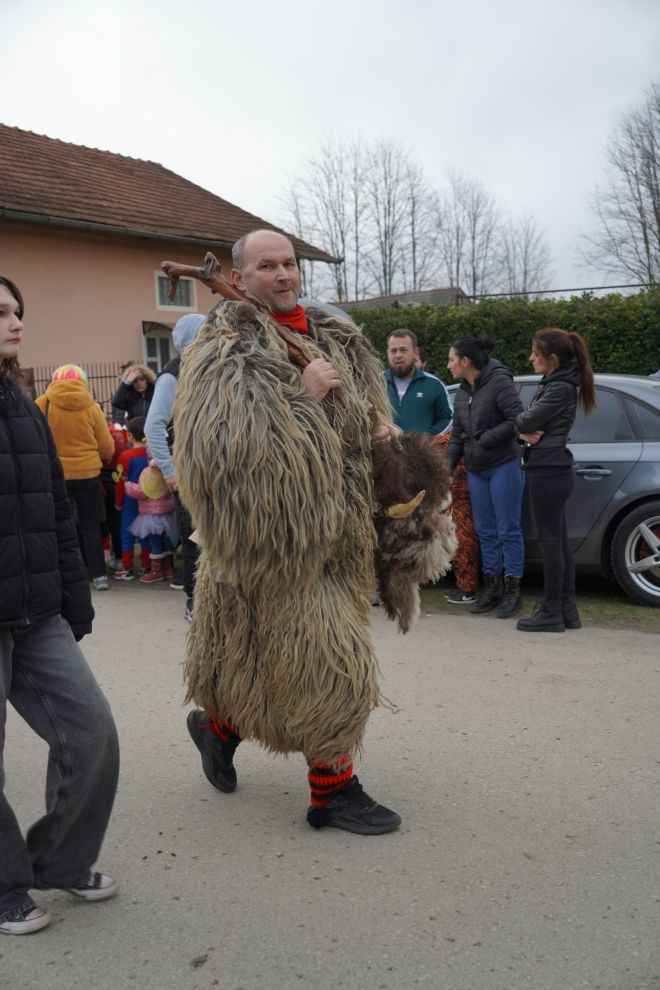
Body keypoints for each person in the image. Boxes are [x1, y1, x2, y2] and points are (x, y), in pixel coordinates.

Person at [176, 229, 401, 834]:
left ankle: (218, 729)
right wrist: (300, 398)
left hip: (343, 532)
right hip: (277, 540)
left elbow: (366, 412)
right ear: (239, 275)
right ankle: (333, 792)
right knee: (332, 660)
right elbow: (220, 450)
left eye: (291, 264)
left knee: (259, 659)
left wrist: (381, 434)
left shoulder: (336, 337)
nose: (284, 275)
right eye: (267, 265)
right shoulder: (222, 349)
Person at [0, 276, 119, 937]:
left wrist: (74, 602)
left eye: (18, 310)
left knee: (92, 733)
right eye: (0, 312)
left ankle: (61, 861)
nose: (16, 322)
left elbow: (54, 510)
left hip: (37, 611)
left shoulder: (25, 406)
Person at [515, 328, 596, 632]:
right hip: (551, 468)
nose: (530, 358)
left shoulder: (559, 387)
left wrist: (520, 428)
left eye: (535, 354)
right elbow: (526, 423)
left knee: (551, 545)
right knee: (559, 545)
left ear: (551, 359)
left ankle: (551, 612)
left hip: (548, 470)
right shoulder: (559, 383)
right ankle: (567, 610)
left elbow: (525, 420)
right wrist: (522, 429)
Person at [446, 336, 525, 618]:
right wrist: (445, 469)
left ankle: (512, 591)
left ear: (466, 362)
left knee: (508, 530)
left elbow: (518, 419)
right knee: (486, 532)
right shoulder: (462, 392)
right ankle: (491, 588)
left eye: (452, 360)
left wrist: (486, 439)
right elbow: (457, 434)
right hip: (477, 470)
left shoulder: (500, 382)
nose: (448, 365)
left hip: (504, 465)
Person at [145, 314, 205, 619]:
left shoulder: (208, 371)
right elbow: (154, 426)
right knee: (194, 538)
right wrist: (170, 472)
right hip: (187, 475)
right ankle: (194, 601)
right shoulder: (173, 376)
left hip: (213, 473)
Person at [35, 364, 115, 591]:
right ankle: (99, 576)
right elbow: (107, 447)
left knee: (62, 523)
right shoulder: (91, 407)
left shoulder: (43, 403)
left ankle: (69, 575)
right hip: (88, 474)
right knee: (91, 525)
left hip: (56, 473)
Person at [385, 329, 452, 436]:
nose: (398, 355)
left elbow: (448, 418)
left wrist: (427, 438)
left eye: (403, 350)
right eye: (393, 351)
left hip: (421, 451)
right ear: (387, 352)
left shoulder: (434, 384)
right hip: (383, 452)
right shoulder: (374, 383)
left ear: (415, 352)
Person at [125, 463, 177, 584]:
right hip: (167, 514)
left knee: (155, 543)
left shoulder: (150, 474)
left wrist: (128, 485)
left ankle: (156, 572)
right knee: (166, 541)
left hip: (151, 516)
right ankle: (168, 569)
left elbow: (142, 491)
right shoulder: (168, 472)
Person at [112, 416, 151, 580]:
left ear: (130, 436)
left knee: (126, 532)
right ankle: (146, 566)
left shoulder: (125, 456)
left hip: (129, 500)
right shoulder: (151, 454)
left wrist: (117, 502)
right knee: (146, 532)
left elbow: (120, 483)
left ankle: (127, 567)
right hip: (148, 499)